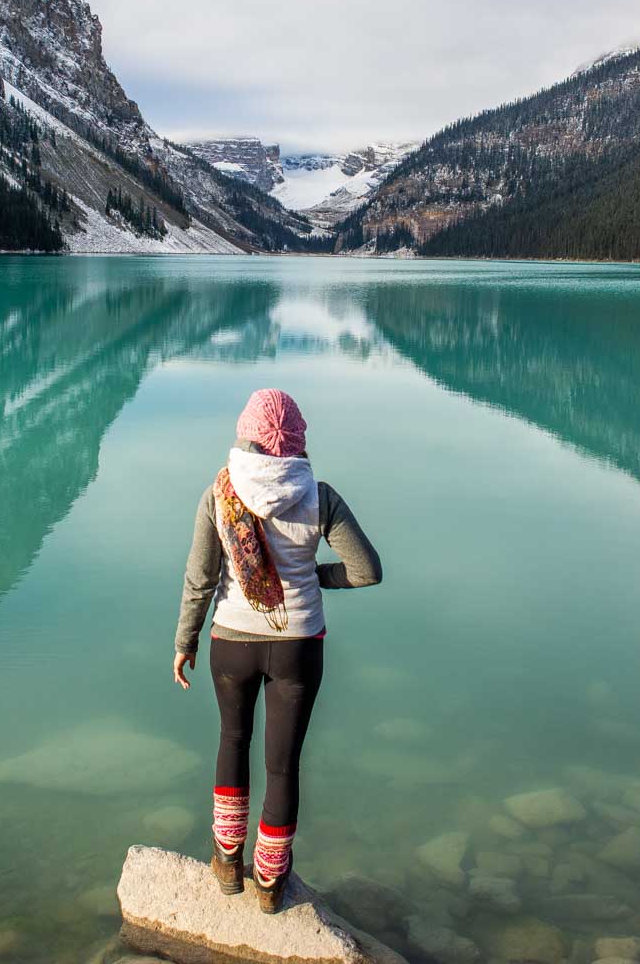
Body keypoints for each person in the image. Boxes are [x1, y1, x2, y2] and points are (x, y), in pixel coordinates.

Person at [172, 388, 382, 914]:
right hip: (298, 647)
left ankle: (227, 862)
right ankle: (269, 883)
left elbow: (201, 580)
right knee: (283, 765)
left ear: (245, 435)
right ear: (297, 441)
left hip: (230, 644)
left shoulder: (218, 493)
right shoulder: (321, 495)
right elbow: (366, 572)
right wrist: (314, 576)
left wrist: (184, 642)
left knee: (233, 740)